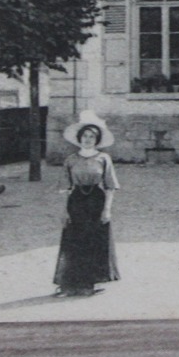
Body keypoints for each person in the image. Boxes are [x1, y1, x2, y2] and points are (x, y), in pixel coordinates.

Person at [53, 110, 120, 297]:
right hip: (76, 202)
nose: (88, 139)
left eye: (92, 137)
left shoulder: (103, 158)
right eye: (85, 136)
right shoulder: (71, 160)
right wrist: (64, 211)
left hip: (96, 201)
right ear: (79, 138)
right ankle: (70, 282)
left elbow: (110, 186)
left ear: (96, 140)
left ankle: (93, 281)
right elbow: (66, 188)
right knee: (74, 241)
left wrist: (107, 209)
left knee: (95, 240)